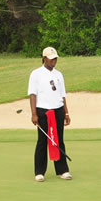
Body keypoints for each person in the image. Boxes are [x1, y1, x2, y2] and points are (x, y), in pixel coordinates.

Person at [28, 47, 71, 182]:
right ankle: (39, 172)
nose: (54, 61)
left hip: (58, 109)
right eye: (51, 59)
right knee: (42, 141)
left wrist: (66, 112)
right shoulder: (36, 74)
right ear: (44, 59)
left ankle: (62, 170)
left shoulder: (59, 75)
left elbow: (62, 95)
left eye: (55, 59)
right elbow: (32, 95)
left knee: (59, 140)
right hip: (43, 110)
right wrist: (34, 114)